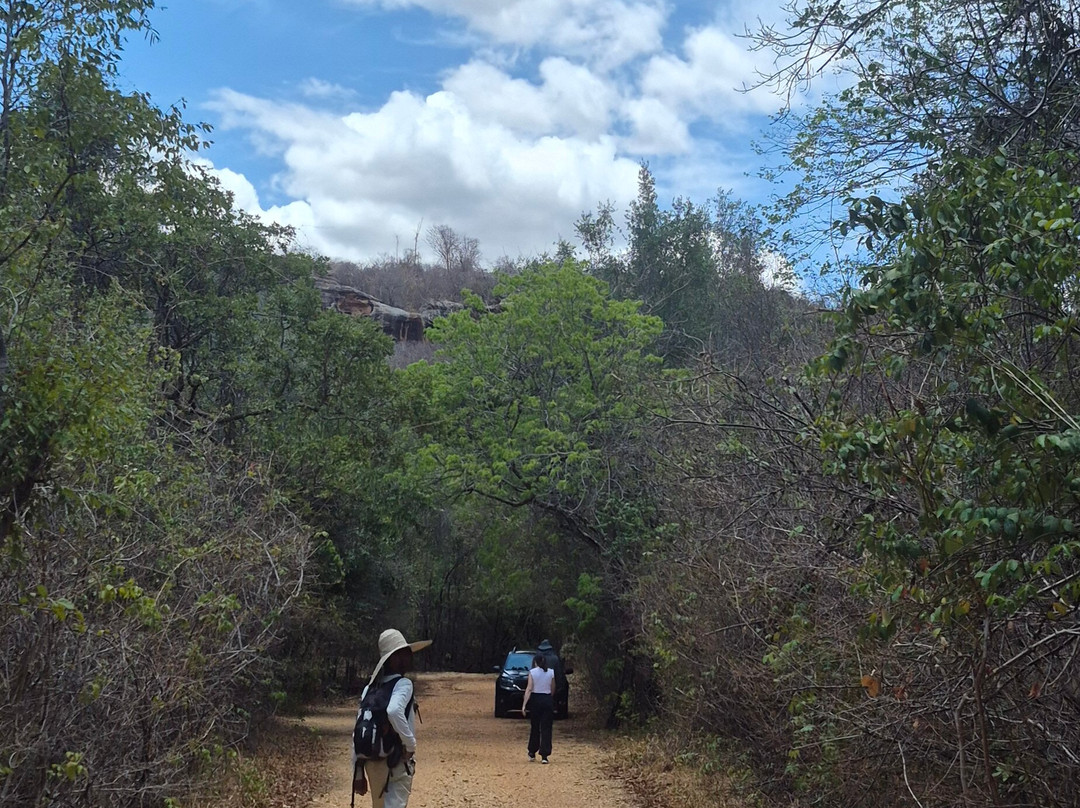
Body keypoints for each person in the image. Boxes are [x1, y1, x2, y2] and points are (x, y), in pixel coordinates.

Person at [353, 628, 432, 808]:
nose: (410, 656)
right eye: (405, 652)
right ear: (395, 659)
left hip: (373, 765)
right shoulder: (403, 684)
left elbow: (357, 731)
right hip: (397, 761)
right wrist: (410, 745)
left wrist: (358, 774)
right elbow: (394, 711)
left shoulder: (370, 689)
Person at [522, 652, 555, 763]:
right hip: (546, 699)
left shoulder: (532, 672)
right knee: (546, 727)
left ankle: (532, 751)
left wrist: (524, 704)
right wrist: (549, 698)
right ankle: (544, 755)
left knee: (535, 726)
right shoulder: (551, 672)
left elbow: (529, 688)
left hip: (536, 700)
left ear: (535, 662)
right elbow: (552, 688)